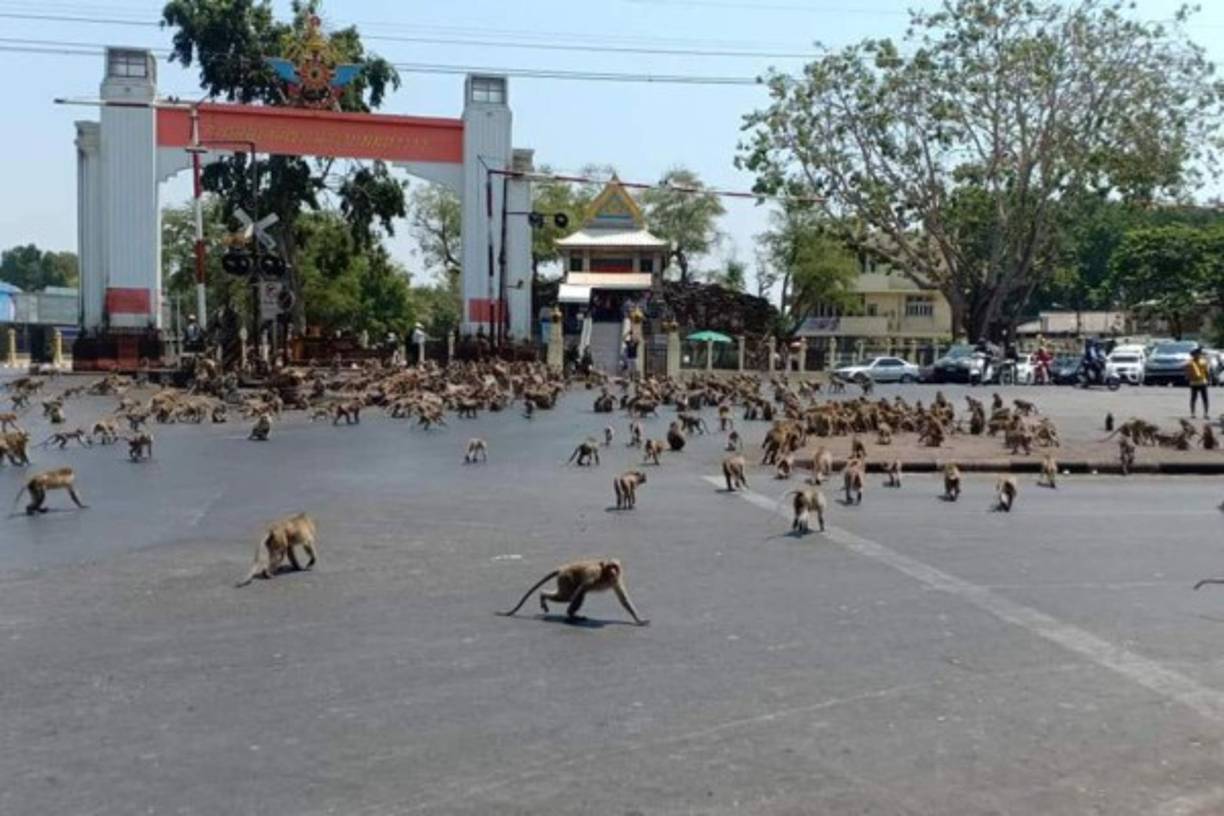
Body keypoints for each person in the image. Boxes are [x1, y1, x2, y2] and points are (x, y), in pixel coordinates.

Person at [1187, 346, 1211, 418]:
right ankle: (1205, 414)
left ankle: (1194, 414)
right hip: (1201, 382)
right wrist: (1209, 380)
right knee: (1204, 399)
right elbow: (1207, 372)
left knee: (1194, 398)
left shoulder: (1190, 362)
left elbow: (1187, 373)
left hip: (1194, 382)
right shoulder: (1203, 362)